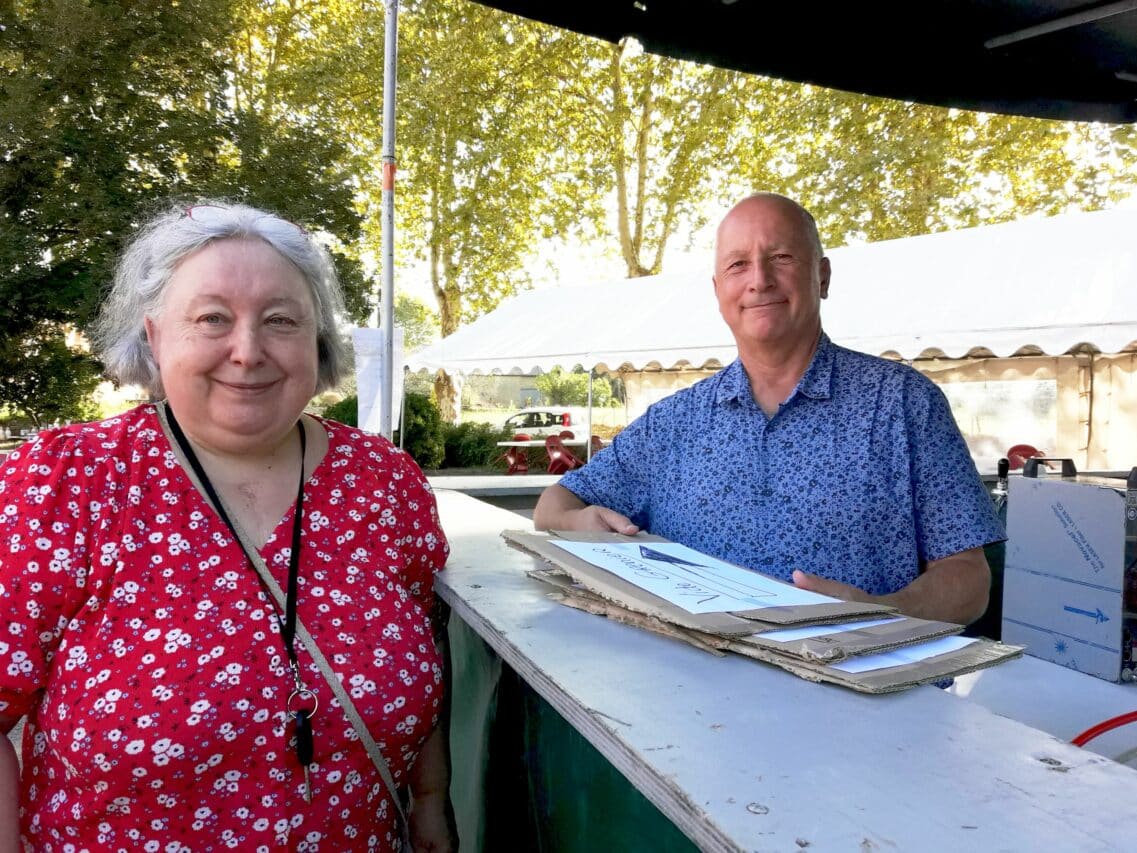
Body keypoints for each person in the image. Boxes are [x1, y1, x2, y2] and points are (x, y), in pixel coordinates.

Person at [0, 201, 456, 852]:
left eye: (280, 321)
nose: (248, 351)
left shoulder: (385, 485)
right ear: (155, 336)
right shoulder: (65, 483)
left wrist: (432, 800)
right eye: (213, 318)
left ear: (315, 342)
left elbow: (422, 649)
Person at [534, 192, 1002, 626]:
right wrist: (582, 524)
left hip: (864, 700)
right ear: (718, 291)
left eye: (781, 257)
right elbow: (553, 506)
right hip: (692, 701)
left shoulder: (902, 405)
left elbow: (969, 578)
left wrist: (881, 614)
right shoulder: (673, 423)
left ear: (822, 275)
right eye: (738, 264)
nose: (759, 279)